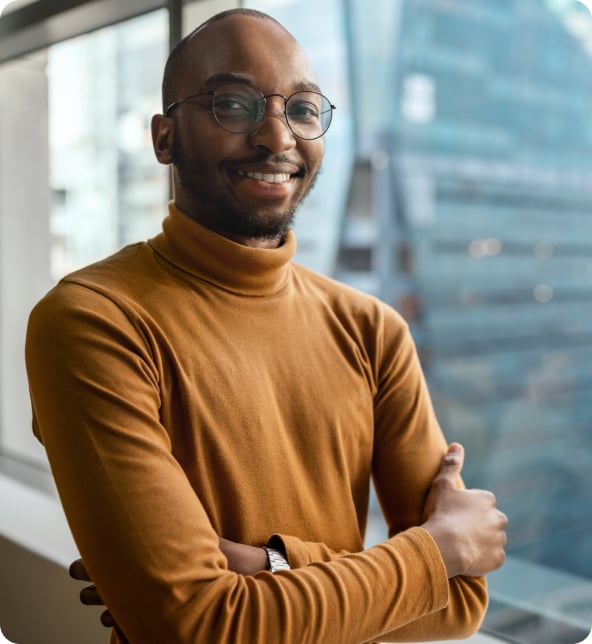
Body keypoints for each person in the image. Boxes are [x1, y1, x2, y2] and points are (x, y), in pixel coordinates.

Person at [25, 8, 507, 644]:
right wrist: (433, 553)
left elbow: (460, 600)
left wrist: (269, 567)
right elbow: (197, 626)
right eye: (233, 103)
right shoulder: (95, 321)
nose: (277, 138)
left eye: (303, 109)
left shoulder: (372, 330)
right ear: (164, 137)